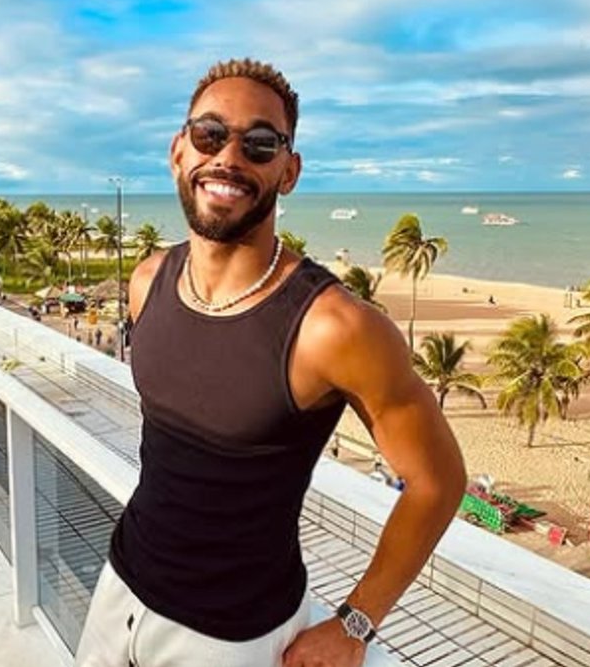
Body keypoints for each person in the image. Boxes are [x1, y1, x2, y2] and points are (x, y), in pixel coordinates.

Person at [74, 58, 466, 667]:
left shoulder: (334, 328)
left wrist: (356, 623)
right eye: (209, 134)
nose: (229, 157)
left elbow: (438, 482)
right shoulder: (149, 280)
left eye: (259, 143)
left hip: (232, 638)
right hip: (120, 584)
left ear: (289, 172)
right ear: (179, 151)